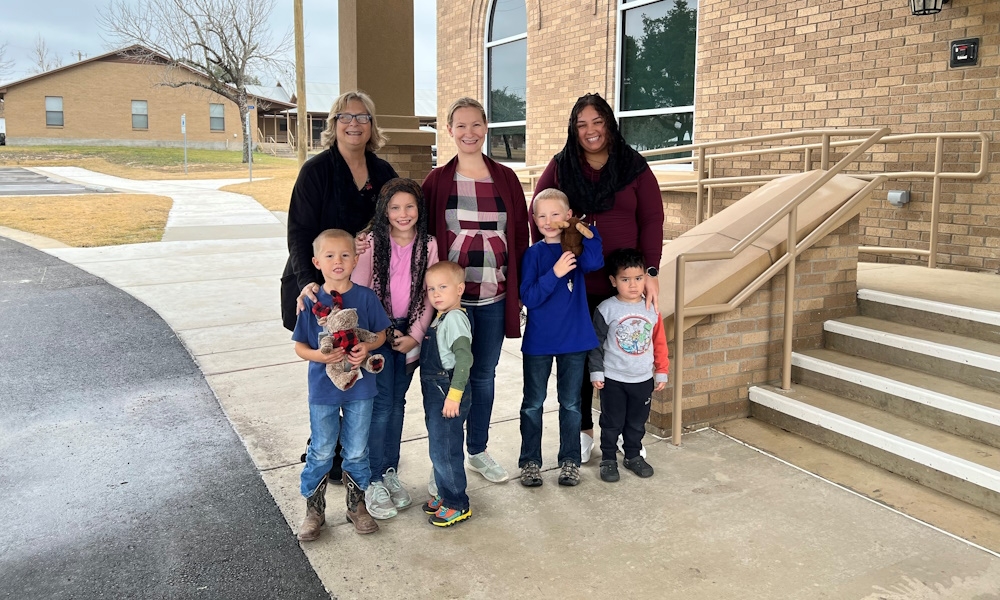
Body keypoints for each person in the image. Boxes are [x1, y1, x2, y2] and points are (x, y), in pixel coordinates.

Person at [531, 93, 664, 463]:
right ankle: (585, 431)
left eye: (597, 122)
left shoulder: (634, 166)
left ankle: (624, 432)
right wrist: (549, 262)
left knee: (622, 355)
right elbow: (537, 210)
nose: (590, 131)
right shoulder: (561, 167)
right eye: (581, 124)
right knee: (581, 361)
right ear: (574, 130)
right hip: (576, 287)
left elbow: (653, 219)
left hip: (623, 283)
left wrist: (650, 271)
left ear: (609, 123)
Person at [280, 90, 398, 484]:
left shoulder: (383, 172)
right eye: (345, 116)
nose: (354, 123)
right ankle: (323, 449)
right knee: (328, 368)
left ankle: (352, 453)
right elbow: (298, 231)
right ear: (333, 124)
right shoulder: (317, 171)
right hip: (318, 287)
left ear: (372, 126)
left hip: (361, 289)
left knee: (357, 373)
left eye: (363, 117)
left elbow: (393, 224)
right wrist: (307, 282)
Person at [422, 97, 529, 484]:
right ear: (449, 131)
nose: (469, 133)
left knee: (483, 376)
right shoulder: (437, 181)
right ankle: (445, 462)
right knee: (447, 381)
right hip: (453, 305)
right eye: (460, 126)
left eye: (476, 125)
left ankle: (477, 451)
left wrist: (517, 294)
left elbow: (519, 239)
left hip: (494, 298)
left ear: (487, 128)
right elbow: (424, 237)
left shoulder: (505, 179)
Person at [292, 229, 392, 541]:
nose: (339, 261)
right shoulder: (311, 302)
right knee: (321, 450)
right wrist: (320, 357)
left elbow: (380, 334)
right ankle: (314, 509)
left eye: (346, 255)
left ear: (356, 258)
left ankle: (356, 504)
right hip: (323, 389)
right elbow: (299, 346)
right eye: (331, 255)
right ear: (316, 261)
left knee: (358, 449)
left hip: (361, 388)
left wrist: (368, 347)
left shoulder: (365, 297)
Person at [351, 178, 439, 519]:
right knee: (382, 403)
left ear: (420, 208)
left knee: (398, 402)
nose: (403, 214)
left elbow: (429, 294)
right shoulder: (371, 243)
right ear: (384, 211)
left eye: (410, 206)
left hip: (408, 330)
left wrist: (415, 335)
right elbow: (360, 292)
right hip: (375, 331)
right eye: (395, 207)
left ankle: (389, 471)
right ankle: (372, 478)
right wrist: (382, 333)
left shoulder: (427, 245)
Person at [517, 189, 603, 487]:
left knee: (571, 404)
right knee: (533, 403)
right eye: (541, 215)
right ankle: (530, 461)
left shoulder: (576, 251)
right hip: (539, 341)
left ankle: (570, 460)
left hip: (574, 339)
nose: (548, 220)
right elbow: (530, 296)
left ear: (567, 216)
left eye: (555, 214)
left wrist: (584, 231)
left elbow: (595, 261)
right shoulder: (534, 254)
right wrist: (554, 273)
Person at [589, 248, 669, 483]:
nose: (633, 285)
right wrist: (596, 371)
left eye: (638, 278)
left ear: (646, 278)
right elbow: (596, 344)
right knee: (611, 422)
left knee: (636, 422)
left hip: (642, 379)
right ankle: (609, 459)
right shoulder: (606, 309)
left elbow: (659, 342)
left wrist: (661, 370)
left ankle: (633, 455)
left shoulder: (652, 309)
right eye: (625, 279)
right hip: (613, 379)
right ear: (614, 281)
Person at [420, 261, 475, 527]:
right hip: (437, 390)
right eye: (431, 289)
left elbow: (464, 359)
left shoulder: (454, 319)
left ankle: (456, 503)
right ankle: (445, 493)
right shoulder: (443, 316)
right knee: (439, 446)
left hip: (447, 390)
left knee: (446, 449)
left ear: (460, 289)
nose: (436, 294)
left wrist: (454, 395)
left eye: (443, 287)